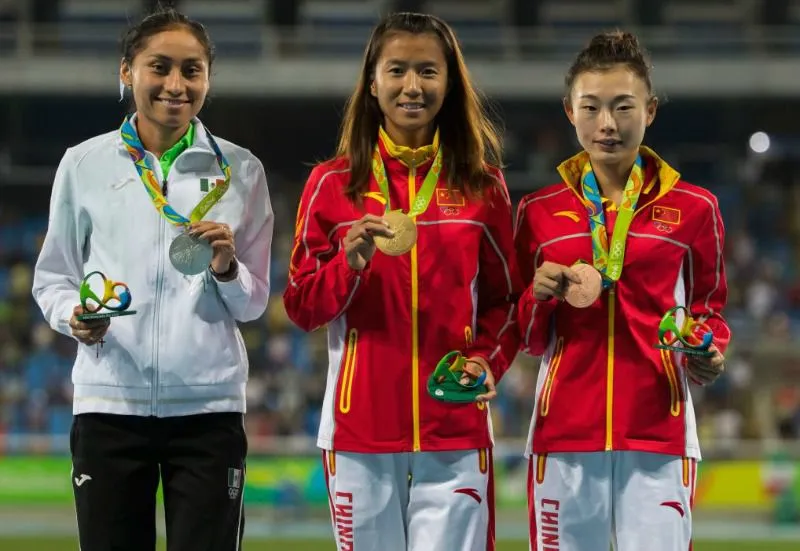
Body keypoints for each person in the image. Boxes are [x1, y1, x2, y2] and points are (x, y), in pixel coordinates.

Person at [31, 7, 273, 551]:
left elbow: (255, 301)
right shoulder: (83, 164)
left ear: (208, 78)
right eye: (159, 66)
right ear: (127, 72)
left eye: (192, 70)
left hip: (208, 412)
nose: (175, 84)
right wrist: (73, 317)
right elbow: (53, 278)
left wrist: (228, 270)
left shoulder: (241, 171)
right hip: (108, 408)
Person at [283, 12, 521, 551]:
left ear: (449, 82)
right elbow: (300, 306)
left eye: (428, 71)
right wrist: (348, 265)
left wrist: (487, 360)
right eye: (397, 70)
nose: (412, 86)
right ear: (372, 82)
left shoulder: (485, 185)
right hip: (358, 430)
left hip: (456, 425)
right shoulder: (332, 185)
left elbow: (508, 300)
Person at [515, 31, 730, 551]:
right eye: (591, 107)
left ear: (650, 110)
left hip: (660, 432)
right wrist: (535, 298)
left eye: (622, 107)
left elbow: (710, 310)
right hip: (563, 434)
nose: (606, 124)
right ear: (570, 111)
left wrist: (708, 349)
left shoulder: (697, 208)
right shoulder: (538, 212)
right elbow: (525, 335)